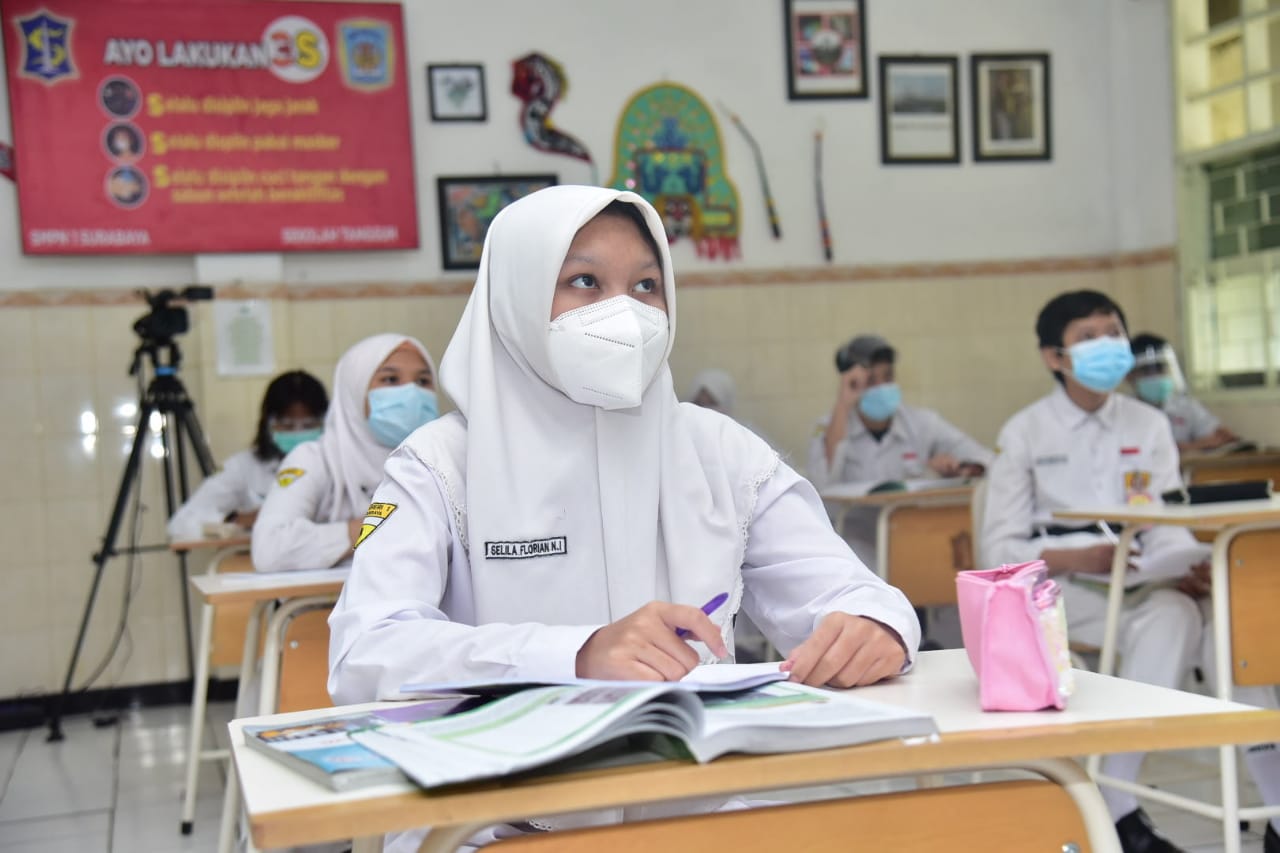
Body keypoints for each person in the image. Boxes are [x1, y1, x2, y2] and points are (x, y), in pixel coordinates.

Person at [328, 186, 919, 850]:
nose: (624, 312)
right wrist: (575, 654)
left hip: (693, 815)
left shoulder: (716, 449)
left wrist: (878, 623)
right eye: (584, 281)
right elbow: (366, 650)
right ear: (517, 296)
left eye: (645, 284)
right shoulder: (438, 464)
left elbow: (848, 590)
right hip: (491, 823)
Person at [982, 290, 1280, 853]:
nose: (1107, 346)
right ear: (1055, 358)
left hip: (1150, 581)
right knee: (1171, 618)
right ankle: (1115, 807)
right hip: (1062, 589)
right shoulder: (1025, 432)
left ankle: (1272, 807)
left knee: (1233, 630)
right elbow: (999, 547)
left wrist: (1192, 562)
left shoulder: (1147, 424)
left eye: (1112, 331)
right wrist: (1079, 558)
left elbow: (1167, 520)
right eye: (1087, 337)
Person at [251, 334, 438, 573]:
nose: (411, 393)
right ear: (354, 390)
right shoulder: (315, 459)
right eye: (390, 379)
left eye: (423, 381)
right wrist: (372, 527)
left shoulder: (441, 460)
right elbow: (269, 549)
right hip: (323, 606)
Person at [807, 334, 992, 565]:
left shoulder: (921, 423)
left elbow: (984, 458)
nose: (882, 387)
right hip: (855, 543)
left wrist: (960, 469)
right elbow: (820, 484)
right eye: (871, 380)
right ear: (853, 383)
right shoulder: (830, 427)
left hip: (914, 534)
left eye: (888, 377)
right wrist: (843, 404)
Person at [166, 370, 327, 542]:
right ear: (268, 424)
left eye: (309, 424)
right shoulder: (244, 467)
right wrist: (235, 520)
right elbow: (180, 523)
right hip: (262, 563)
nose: (298, 432)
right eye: (287, 425)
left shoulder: (342, 464)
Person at [1128, 332, 1240, 453]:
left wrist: (1187, 447)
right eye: (1147, 370)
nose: (1156, 376)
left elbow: (1225, 438)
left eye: (1159, 368)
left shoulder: (1186, 407)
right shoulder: (1125, 412)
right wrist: (1191, 447)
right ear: (1129, 375)